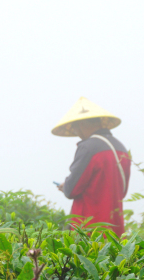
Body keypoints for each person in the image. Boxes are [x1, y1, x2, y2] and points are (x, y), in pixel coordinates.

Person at [52, 97, 131, 236]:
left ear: (81, 124)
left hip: (89, 228)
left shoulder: (88, 147)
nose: (76, 133)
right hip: (115, 228)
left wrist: (65, 186)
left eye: (75, 127)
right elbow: (122, 192)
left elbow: (72, 189)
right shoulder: (121, 148)